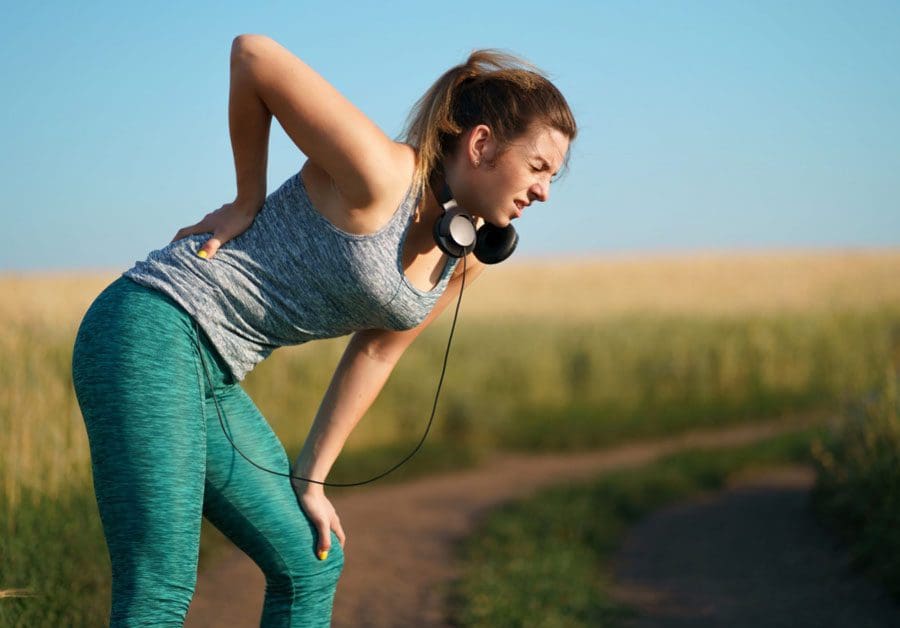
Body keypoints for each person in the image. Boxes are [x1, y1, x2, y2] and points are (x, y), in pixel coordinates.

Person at [71, 33, 576, 627]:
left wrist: (312, 477)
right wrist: (245, 199)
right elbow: (252, 55)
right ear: (483, 144)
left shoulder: (457, 260)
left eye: (553, 177)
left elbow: (376, 355)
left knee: (311, 563)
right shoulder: (384, 175)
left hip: (210, 372)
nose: (544, 191)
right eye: (539, 167)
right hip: (151, 325)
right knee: (160, 586)